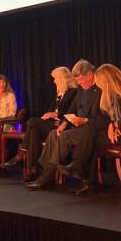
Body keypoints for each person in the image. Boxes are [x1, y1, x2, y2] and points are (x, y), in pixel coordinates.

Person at [57, 64, 121, 195]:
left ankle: (82, 172)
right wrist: (112, 125)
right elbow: (107, 117)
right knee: (91, 130)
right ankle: (83, 174)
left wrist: (114, 125)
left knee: (91, 138)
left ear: (107, 79)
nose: (98, 84)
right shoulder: (111, 94)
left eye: (100, 81)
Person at [25, 59, 103, 190]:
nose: (78, 82)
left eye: (81, 79)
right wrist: (64, 123)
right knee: (53, 133)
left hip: (90, 128)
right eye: (77, 80)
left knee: (63, 137)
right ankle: (44, 171)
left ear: (90, 75)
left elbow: (101, 116)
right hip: (76, 126)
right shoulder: (80, 89)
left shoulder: (99, 89)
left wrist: (83, 121)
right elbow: (72, 108)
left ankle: (46, 177)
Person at [1, 66, 78, 181]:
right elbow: (50, 110)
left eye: (55, 78)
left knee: (32, 121)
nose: (54, 81)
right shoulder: (59, 94)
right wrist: (48, 115)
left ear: (62, 78)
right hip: (52, 124)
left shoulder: (73, 92)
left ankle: (20, 155)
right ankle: (34, 170)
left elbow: (72, 111)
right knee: (34, 132)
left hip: (63, 126)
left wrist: (55, 115)